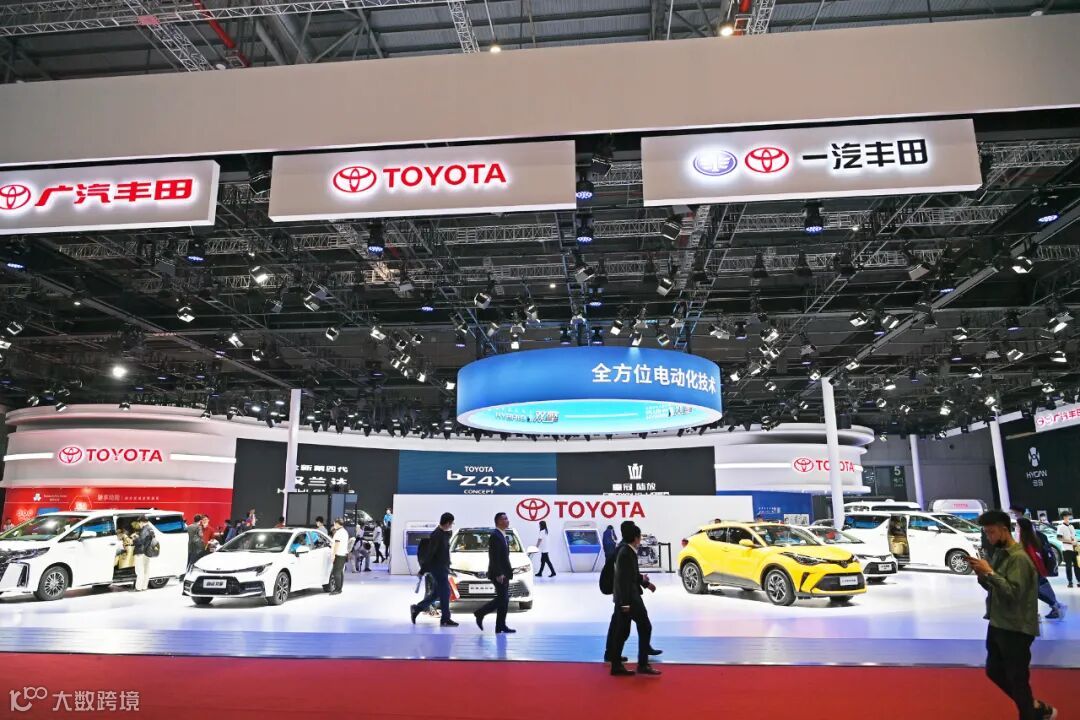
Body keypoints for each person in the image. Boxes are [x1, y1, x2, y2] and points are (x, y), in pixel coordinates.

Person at [970, 510, 1055, 720]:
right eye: (986, 533)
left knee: (1018, 679)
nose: (989, 537)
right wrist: (983, 575)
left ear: (1004, 530)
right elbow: (995, 588)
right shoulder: (1000, 554)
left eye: (991, 532)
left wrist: (989, 572)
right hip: (998, 622)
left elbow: (1013, 594)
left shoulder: (1019, 558)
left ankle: (1032, 713)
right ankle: (1034, 708)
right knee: (994, 671)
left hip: (1016, 628)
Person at [609, 523, 661, 676]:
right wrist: (625, 604)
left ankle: (616, 664)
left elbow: (631, 575)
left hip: (626, 598)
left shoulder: (626, 551)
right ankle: (642, 664)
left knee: (623, 631)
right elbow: (624, 580)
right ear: (636, 538)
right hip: (629, 599)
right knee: (644, 627)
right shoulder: (626, 553)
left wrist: (646, 584)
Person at [411, 512, 458, 627]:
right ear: (448, 523)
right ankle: (445, 619)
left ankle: (417, 608)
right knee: (445, 592)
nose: (451, 526)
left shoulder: (442, 534)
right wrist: (422, 570)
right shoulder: (437, 535)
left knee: (437, 593)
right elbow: (430, 554)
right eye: (451, 523)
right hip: (438, 568)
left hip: (442, 567)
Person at [1017, 518, 1066, 620]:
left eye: (1017, 526)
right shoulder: (1033, 538)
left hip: (1032, 571)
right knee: (1036, 592)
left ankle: (1055, 606)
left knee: (1034, 592)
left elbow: (1031, 558)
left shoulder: (1027, 542)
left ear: (1022, 528)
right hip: (1036, 571)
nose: (1016, 528)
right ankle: (1055, 606)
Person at [475, 512, 515, 634]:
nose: (508, 520)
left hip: (505, 573)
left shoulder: (503, 535)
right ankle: (480, 613)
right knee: (503, 599)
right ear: (499, 521)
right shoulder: (495, 536)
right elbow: (494, 556)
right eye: (505, 519)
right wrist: (498, 573)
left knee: (504, 600)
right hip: (499, 574)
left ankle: (500, 626)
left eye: (507, 518)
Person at [132, 516, 155, 592]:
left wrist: (134, 538)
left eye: (139, 523)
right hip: (147, 552)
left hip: (140, 552)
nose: (139, 525)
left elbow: (140, 541)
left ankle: (138, 588)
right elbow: (147, 540)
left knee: (139, 570)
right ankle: (144, 587)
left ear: (141, 522)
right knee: (146, 570)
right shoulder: (150, 529)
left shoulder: (145, 529)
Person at [1058, 511, 1078, 588]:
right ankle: (1070, 582)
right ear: (1064, 517)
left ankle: (1079, 581)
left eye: (1069, 516)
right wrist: (1070, 541)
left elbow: (1074, 536)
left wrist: (1075, 542)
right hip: (1066, 549)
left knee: (1077, 566)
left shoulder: (1071, 526)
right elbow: (1059, 538)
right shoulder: (1061, 527)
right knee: (1068, 566)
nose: (1068, 518)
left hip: (1075, 548)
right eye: (1066, 516)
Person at [329, 518, 348, 595]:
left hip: (339, 554)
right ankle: (339, 588)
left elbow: (337, 544)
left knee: (336, 572)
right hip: (343, 554)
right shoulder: (344, 532)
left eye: (334, 523)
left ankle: (337, 589)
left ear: (337, 524)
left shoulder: (339, 533)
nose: (334, 525)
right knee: (340, 572)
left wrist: (333, 555)